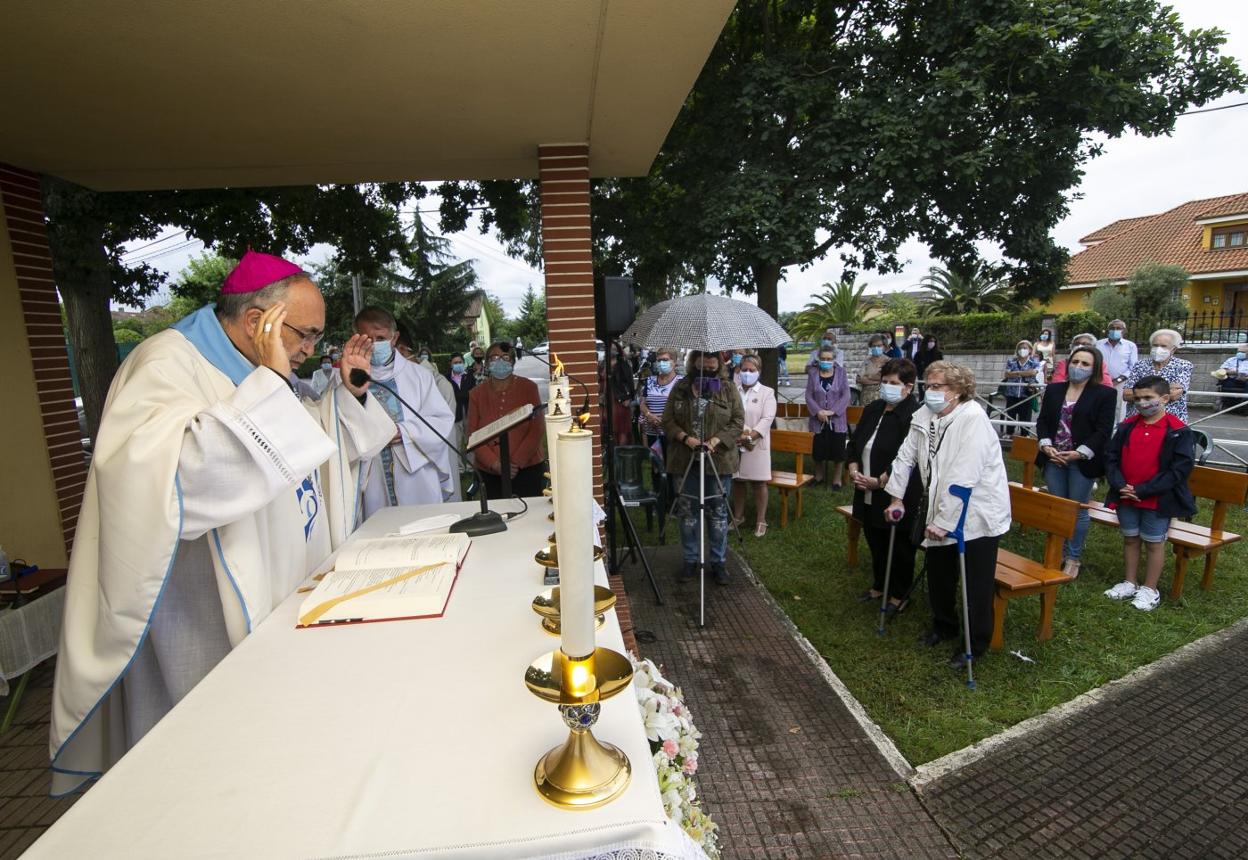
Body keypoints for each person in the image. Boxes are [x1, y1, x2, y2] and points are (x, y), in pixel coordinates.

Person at [49, 251, 396, 793]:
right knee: (205, 760)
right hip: (201, 608)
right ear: (260, 322)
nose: (309, 350)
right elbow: (177, 477)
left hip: (281, 582)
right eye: (303, 334)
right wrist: (271, 385)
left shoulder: (259, 369)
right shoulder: (165, 364)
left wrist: (346, 395)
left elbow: (314, 441)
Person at [885, 362, 1011, 670]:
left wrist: (944, 521)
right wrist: (896, 496)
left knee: (975, 584)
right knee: (939, 574)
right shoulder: (924, 416)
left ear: (957, 391)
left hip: (977, 514)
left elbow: (963, 477)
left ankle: (975, 643)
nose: (930, 391)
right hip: (939, 508)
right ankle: (944, 625)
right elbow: (905, 457)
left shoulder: (973, 420)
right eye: (928, 385)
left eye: (937, 386)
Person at [1102, 375, 1197, 612]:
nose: (1143, 403)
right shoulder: (1126, 427)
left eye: (1148, 398)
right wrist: (1119, 484)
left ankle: (1150, 588)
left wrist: (1144, 490)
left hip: (1156, 498)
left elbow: (1180, 469)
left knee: (1154, 543)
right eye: (1138, 398)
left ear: (1164, 398)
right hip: (1126, 496)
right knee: (1131, 538)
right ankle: (1129, 581)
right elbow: (1111, 458)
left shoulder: (1178, 431)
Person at [354, 308, 457, 513]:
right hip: (371, 475)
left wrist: (404, 432)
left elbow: (441, 420)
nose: (374, 344)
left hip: (417, 476)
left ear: (394, 337)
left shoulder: (419, 376)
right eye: (367, 338)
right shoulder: (347, 380)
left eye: (380, 337)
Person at [662, 350, 745, 584]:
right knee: (688, 512)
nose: (708, 368)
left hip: (718, 461)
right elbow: (667, 420)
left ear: (718, 364)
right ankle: (690, 560)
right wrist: (685, 438)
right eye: (703, 365)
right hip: (685, 460)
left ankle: (718, 562)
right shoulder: (680, 388)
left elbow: (738, 421)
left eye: (712, 366)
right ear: (694, 362)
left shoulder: (728, 389)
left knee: (718, 512)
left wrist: (716, 441)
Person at [1035, 345, 1117, 579]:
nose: (1078, 367)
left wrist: (1080, 452)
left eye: (1085, 364)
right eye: (1075, 362)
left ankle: (1073, 557)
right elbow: (1042, 421)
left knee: (1077, 508)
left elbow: (1103, 430)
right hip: (1053, 457)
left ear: (1094, 369)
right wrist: (1045, 444)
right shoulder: (1054, 389)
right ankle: (1056, 552)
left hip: (1081, 460)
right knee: (1059, 507)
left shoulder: (1105, 394)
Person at [847, 358, 922, 612]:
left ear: (908, 387)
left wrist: (879, 482)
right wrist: (854, 468)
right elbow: (856, 443)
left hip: (895, 492)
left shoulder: (914, 415)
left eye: (894, 383)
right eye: (884, 382)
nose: (887, 387)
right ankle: (879, 584)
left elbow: (907, 458)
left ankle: (899, 594)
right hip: (864, 487)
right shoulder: (874, 408)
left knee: (899, 546)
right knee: (875, 538)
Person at [466, 341, 545, 499]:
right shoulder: (476, 394)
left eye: (506, 357)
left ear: (513, 362)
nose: (500, 361)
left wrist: (515, 463)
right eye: (494, 357)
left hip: (526, 469)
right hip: (489, 472)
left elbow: (536, 429)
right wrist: (496, 464)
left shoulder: (528, 388)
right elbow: (472, 435)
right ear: (487, 363)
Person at [731, 354, 777, 537]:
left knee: (759, 483)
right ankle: (738, 516)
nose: (747, 373)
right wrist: (736, 435)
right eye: (744, 370)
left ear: (758, 371)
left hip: (756, 444)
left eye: (752, 370)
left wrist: (750, 436)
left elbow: (767, 419)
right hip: (734, 443)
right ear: (739, 371)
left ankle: (761, 520)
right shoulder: (733, 390)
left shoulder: (767, 392)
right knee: (737, 481)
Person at [1123, 328, 1193, 423]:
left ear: (1173, 349)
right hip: (1138, 420)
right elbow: (1126, 395)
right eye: (1155, 345)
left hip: (1170, 422)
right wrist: (1163, 390)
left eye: (1164, 346)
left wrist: (1140, 393)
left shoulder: (1183, 365)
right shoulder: (1140, 365)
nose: (1158, 349)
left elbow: (1173, 395)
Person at [805, 345, 850, 489]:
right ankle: (818, 476)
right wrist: (818, 411)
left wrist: (833, 411)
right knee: (818, 450)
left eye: (829, 359)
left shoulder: (841, 373)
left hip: (837, 420)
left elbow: (846, 395)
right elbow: (808, 395)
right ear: (818, 359)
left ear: (834, 359)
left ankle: (837, 480)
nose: (826, 361)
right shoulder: (813, 373)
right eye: (823, 358)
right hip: (817, 420)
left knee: (838, 451)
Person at [639, 347, 681, 459]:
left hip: (672, 432)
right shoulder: (650, 381)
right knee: (655, 468)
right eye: (659, 360)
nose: (661, 363)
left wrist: (666, 418)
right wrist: (649, 415)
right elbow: (643, 403)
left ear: (674, 362)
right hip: (652, 432)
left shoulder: (681, 382)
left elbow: (683, 406)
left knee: (672, 467)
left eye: (665, 360)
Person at [1096, 319, 1139, 423]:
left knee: (1118, 408)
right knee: (1098, 405)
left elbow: (1133, 367)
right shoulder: (1098, 344)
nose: (1115, 330)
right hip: (1099, 381)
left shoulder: (1130, 346)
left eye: (1118, 328)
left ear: (1124, 331)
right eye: (1112, 328)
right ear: (1107, 330)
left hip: (1120, 382)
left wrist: (1118, 380)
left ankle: (1116, 431)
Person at [1001, 339, 1043, 437]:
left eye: (1024, 348)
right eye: (1020, 348)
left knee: (1025, 415)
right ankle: (1009, 432)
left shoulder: (1034, 361)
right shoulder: (1011, 361)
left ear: (1030, 350)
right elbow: (1007, 374)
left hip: (1026, 393)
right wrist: (1024, 373)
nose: (1022, 350)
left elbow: (1033, 372)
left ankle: (1025, 434)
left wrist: (1015, 373)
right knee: (1011, 413)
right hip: (1012, 392)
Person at [604, 341, 636, 445]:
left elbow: (629, 383)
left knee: (621, 428)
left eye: (614, 348)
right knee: (608, 428)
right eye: (610, 348)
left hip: (619, 400)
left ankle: (621, 452)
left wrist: (627, 397)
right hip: (605, 400)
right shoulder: (602, 364)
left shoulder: (623, 365)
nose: (612, 351)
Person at [1212, 336, 1248, 415]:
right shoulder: (1231, 360)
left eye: (1242, 352)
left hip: (1245, 381)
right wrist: (1229, 371)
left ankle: (1244, 407)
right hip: (1232, 379)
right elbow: (1221, 370)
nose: (1239, 353)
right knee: (1225, 383)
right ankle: (1227, 405)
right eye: (1238, 351)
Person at [857, 334, 888, 406]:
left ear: (884, 346)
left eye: (879, 346)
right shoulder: (866, 362)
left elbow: (887, 379)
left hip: (883, 398)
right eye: (874, 346)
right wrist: (877, 380)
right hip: (866, 398)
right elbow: (859, 379)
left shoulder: (889, 361)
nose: (876, 348)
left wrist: (869, 377)